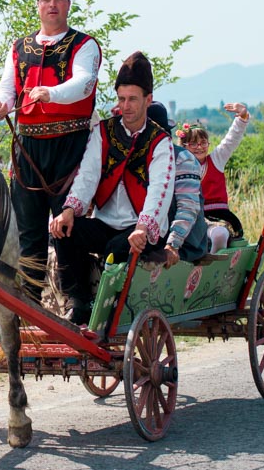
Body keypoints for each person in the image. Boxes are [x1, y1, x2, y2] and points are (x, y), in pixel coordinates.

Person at [0, 0, 102, 304]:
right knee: (30, 237)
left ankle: (77, 306)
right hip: (28, 150)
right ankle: (31, 308)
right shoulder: (19, 46)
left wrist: (50, 93)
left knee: (68, 232)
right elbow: (7, 88)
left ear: (68, 4)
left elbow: (83, 84)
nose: (52, 5)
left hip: (70, 148)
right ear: (38, 5)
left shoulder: (84, 45)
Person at [49, 52, 175, 324]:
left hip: (140, 226)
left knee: (117, 248)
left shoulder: (160, 142)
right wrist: (71, 208)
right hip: (106, 223)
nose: (126, 106)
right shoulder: (104, 132)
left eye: (132, 99)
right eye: (121, 99)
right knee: (64, 232)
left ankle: (107, 314)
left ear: (148, 100)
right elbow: (88, 174)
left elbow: (160, 191)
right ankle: (78, 303)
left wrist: (144, 226)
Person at [176, 102, 250, 250]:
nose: (200, 147)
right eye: (193, 144)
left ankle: (215, 268)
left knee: (219, 235)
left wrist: (241, 118)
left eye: (203, 143)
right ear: (184, 146)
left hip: (219, 216)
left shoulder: (216, 160)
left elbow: (231, 140)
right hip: (191, 217)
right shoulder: (178, 168)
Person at [147, 101, 210, 265]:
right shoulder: (139, 157)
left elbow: (188, 208)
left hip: (186, 243)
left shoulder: (182, 158)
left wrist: (172, 244)